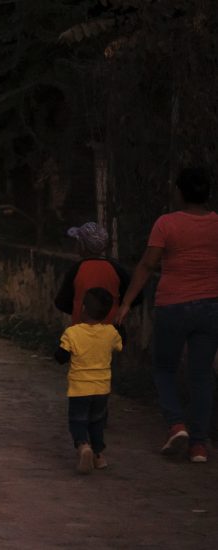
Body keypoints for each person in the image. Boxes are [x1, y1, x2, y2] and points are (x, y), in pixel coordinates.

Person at [117, 167, 218, 463]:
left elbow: (147, 266)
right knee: (202, 376)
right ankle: (199, 445)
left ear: (180, 192)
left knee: (163, 369)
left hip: (173, 305)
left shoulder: (166, 224)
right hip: (211, 307)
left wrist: (126, 303)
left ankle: (176, 425)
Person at [55, 288, 124, 474]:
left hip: (80, 388)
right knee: (97, 422)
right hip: (102, 388)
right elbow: (119, 346)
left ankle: (83, 446)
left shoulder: (72, 333)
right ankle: (99, 456)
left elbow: (60, 357)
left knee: (78, 421)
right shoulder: (110, 332)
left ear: (83, 308)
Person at [54, 222, 134, 324]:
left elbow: (62, 302)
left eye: (78, 241)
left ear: (83, 246)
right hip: (112, 332)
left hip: (82, 333)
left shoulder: (76, 269)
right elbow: (132, 296)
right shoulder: (117, 269)